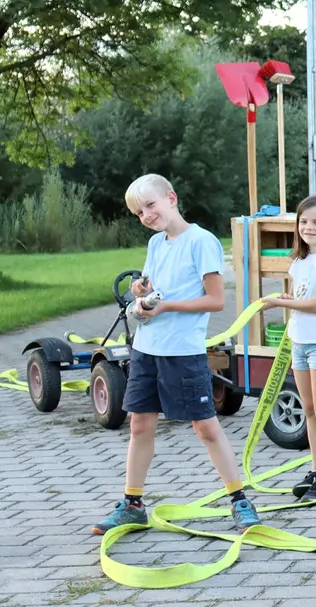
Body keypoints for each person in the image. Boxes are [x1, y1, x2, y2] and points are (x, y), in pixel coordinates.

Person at [93, 175, 261, 534]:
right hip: (146, 349)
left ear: (171, 198)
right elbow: (155, 286)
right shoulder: (156, 243)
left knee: (205, 427)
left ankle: (240, 501)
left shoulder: (202, 241)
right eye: (139, 212)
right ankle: (133, 503)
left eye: (151, 205)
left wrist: (166, 306)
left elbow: (215, 300)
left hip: (182, 353)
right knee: (139, 425)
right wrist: (143, 288)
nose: (147, 215)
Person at [262, 195, 316, 502]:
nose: (309, 228)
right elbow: (301, 299)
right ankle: (314, 469)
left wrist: (276, 302)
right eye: (303, 222)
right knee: (309, 409)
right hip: (299, 341)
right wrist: (286, 301)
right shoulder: (299, 262)